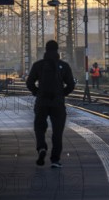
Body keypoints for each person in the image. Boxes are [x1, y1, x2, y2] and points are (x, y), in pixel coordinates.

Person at [26, 40, 75, 168]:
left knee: (39, 127)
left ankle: (41, 147)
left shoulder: (38, 65)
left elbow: (29, 83)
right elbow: (71, 84)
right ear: (57, 50)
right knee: (57, 132)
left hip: (42, 102)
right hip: (57, 103)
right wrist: (62, 94)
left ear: (46, 50)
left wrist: (37, 92)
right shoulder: (63, 66)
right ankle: (55, 160)